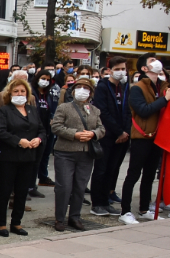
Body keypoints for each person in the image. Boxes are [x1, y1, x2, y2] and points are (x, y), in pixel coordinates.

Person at [119, 58, 169, 224]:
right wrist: (164, 100)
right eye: (152, 60)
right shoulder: (138, 88)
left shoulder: (162, 86)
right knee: (133, 174)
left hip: (157, 137)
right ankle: (125, 211)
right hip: (142, 137)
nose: (157, 62)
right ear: (145, 68)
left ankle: (144, 209)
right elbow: (143, 110)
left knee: (149, 175)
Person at [51, 79, 104, 231]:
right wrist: (74, 134)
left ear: (91, 93)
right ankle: (60, 218)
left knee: (80, 187)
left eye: (86, 88)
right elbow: (56, 126)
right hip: (65, 152)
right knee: (64, 187)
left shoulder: (94, 110)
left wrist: (93, 134)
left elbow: (101, 128)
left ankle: (75, 217)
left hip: (86, 153)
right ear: (73, 91)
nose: (82, 90)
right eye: (79, 87)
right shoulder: (64, 107)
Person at [0, 79, 45, 237]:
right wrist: (18, 141)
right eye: (16, 91)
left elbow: (42, 130)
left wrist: (39, 139)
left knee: (22, 192)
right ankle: (1, 224)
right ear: (10, 93)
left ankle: (16, 222)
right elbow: (0, 131)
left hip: (28, 157)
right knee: (4, 192)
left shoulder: (32, 110)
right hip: (8, 157)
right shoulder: (4, 110)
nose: (19, 94)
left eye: (22, 91)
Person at [90, 57, 130, 216]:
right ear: (109, 70)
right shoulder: (102, 87)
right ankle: (97, 203)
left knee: (112, 170)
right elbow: (103, 112)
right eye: (118, 69)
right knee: (101, 169)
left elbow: (128, 111)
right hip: (107, 135)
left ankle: (106, 201)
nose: (121, 72)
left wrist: (125, 131)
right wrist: (118, 131)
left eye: (123, 69)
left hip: (122, 136)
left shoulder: (124, 87)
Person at [32, 69, 61, 189]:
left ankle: (43, 177)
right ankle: (30, 185)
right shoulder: (32, 92)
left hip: (47, 128)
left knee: (45, 155)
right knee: (34, 158)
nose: (45, 81)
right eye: (43, 78)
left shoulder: (48, 94)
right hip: (35, 129)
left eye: (48, 80)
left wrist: (52, 118)